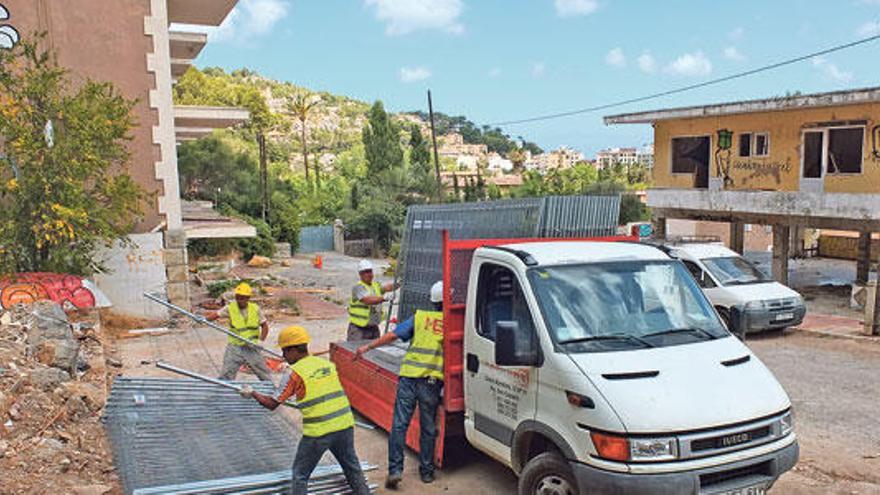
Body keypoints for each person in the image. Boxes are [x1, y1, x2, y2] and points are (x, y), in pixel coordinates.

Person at [241, 326, 371, 495]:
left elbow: (272, 404)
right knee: (352, 467)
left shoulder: (295, 373)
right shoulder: (326, 364)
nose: (283, 356)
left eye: (285, 351)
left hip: (319, 433)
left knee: (300, 475)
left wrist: (252, 393)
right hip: (344, 425)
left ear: (294, 349)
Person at [355, 280, 445, 489]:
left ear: (432, 301)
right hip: (430, 382)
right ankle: (427, 472)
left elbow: (393, 335)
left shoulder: (421, 318)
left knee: (399, 425)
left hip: (408, 378)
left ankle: (395, 470)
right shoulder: (453, 323)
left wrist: (368, 347)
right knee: (428, 428)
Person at [205, 282, 273, 382]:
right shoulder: (230, 308)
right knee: (226, 374)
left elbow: (264, 326)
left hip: (252, 347)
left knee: (263, 374)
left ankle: (271, 393)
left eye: (242, 298)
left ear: (248, 298)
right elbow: (215, 315)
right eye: (237, 297)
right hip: (235, 347)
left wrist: (261, 341)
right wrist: (204, 319)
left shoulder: (255, 309)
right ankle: (224, 393)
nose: (239, 300)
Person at [347, 259, 395, 341]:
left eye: (370, 271)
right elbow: (367, 300)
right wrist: (384, 298)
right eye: (366, 272)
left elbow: (387, 287)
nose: (369, 274)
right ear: (360, 274)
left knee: (374, 351)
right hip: (358, 329)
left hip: (373, 327)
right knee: (356, 351)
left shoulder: (375, 285)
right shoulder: (358, 287)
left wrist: (400, 283)